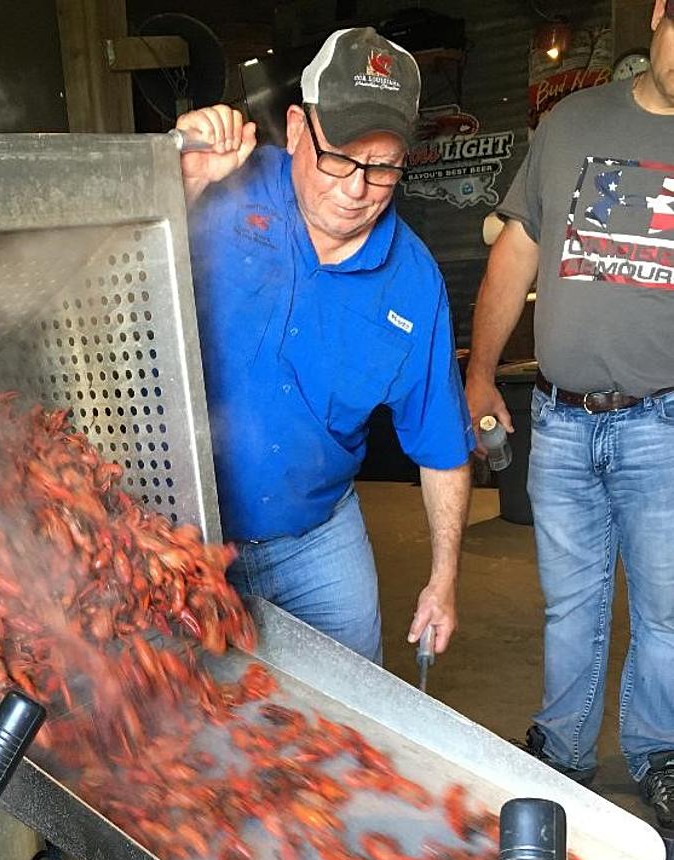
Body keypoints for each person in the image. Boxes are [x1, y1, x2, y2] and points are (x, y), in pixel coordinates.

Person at [177, 27, 474, 665]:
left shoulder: (415, 285)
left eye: (382, 165)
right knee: (188, 721)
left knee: (351, 707)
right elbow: (103, 266)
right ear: (296, 129)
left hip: (317, 536)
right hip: (181, 533)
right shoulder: (224, 186)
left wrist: (444, 579)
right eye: (339, 155)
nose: (356, 187)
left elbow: (443, 449)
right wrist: (178, 177)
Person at [465, 0, 674, 830]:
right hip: (558, 421)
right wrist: (480, 378)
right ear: (660, 12)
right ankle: (563, 747)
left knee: (666, 609)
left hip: (664, 423)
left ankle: (659, 748)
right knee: (570, 604)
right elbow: (513, 257)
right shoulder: (570, 123)